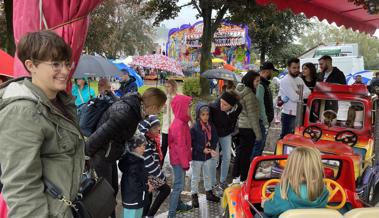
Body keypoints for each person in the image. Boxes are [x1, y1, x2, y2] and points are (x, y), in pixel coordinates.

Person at [0, 30, 84, 218]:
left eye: (66, 63)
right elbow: (21, 187)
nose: (65, 71)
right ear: (31, 65)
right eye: (55, 64)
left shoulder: (60, 101)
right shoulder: (22, 111)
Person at [85, 88, 166, 218]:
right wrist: (85, 157)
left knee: (112, 192)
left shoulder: (134, 107)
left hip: (109, 155)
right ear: (154, 106)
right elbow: (98, 137)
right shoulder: (126, 114)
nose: (159, 112)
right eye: (160, 109)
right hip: (101, 156)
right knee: (105, 196)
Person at [262, 147, 329, 218]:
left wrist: (265, 204)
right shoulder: (323, 191)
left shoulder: (284, 190)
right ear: (317, 167)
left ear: (291, 167)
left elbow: (271, 211)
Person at [138, 115, 171, 217]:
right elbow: (150, 164)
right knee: (165, 189)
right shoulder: (146, 143)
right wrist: (162, 177)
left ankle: (146, 215)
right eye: (155, 128)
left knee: (148, 196)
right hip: (147, 175)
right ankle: (149, 215)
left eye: (158, 126)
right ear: (148, 130)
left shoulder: (152, 139)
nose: (159, 129)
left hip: (148, 174)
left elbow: (155, 160)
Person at [233, 71, 262, 182]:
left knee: (240, 152)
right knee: (246, 154)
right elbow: (253, 116)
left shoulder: (240, 91)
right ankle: (244, 178)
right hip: (248, 128)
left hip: (241, 126)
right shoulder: (249, 95)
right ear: (250, 80)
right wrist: (258, 134)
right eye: (256, 81)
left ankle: (236, 175)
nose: (258, 83)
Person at [209, 91, 242, 189]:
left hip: (226, 133)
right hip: (214, 134)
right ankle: (213, 183)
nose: (221, 105)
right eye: (221, 102)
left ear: (232, 106)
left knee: (227, 156)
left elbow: (234, 120)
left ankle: (223, 181)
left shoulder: (238, 107)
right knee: (214, 158)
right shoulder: (213, 107)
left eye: (225, 104)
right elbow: (209, 123)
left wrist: (231, 129)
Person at [168, 95, 193, 218]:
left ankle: (178, 205)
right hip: (179, 161)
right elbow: (180, 147)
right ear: (182, 108)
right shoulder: (179, 125)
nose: (190, 110)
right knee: (178, 186)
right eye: (189, 107)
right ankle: (171, 213)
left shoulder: (182, 122)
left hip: (179, 159)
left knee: (179, 184)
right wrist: (185, 163)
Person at [191, 103, 220, 207]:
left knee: (208, 175)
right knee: (195, 177)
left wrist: (211, 147)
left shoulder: (211, 126)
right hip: (197, 157)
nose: (205, 117)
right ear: (198, 115)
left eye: (207, 114)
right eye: (203, 114)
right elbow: (192, 142)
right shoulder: (194, 127)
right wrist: (201, 149)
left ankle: (209, 193)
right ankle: (194, 195)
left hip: (207, 157)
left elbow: (215, 138)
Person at [119, 133, 152, 218]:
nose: (144, 148)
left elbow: (139, 178)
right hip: (133, 201)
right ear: (134, 147)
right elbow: (134, 185)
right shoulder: (133, 164)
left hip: (134, 200)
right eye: (142, 145)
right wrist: (147, 188)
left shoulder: (135, 161)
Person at [279, 58, 311, 139]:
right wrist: (300, 94)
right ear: (288, 68)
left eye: (298, 67)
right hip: (288, 115)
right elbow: (294, 98)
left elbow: (309, 92)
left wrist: (299, 94)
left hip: (299, 113)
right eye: (294, 68)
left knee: (295, 138)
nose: (297, 70)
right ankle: (279, 152)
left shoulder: (299, 79)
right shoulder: (285, 80)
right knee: (285, 138)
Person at [161, 79, 178, 163]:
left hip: (175, 128)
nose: (167, 88)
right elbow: (163, 112)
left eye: (169, 86)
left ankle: (175, 166)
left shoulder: (178, 98)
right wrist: (162, 106)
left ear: (174, 87)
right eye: (166, 86)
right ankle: (159, 166)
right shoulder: (164, 98)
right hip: (166, 128)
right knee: (163, 147)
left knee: (174, 149)